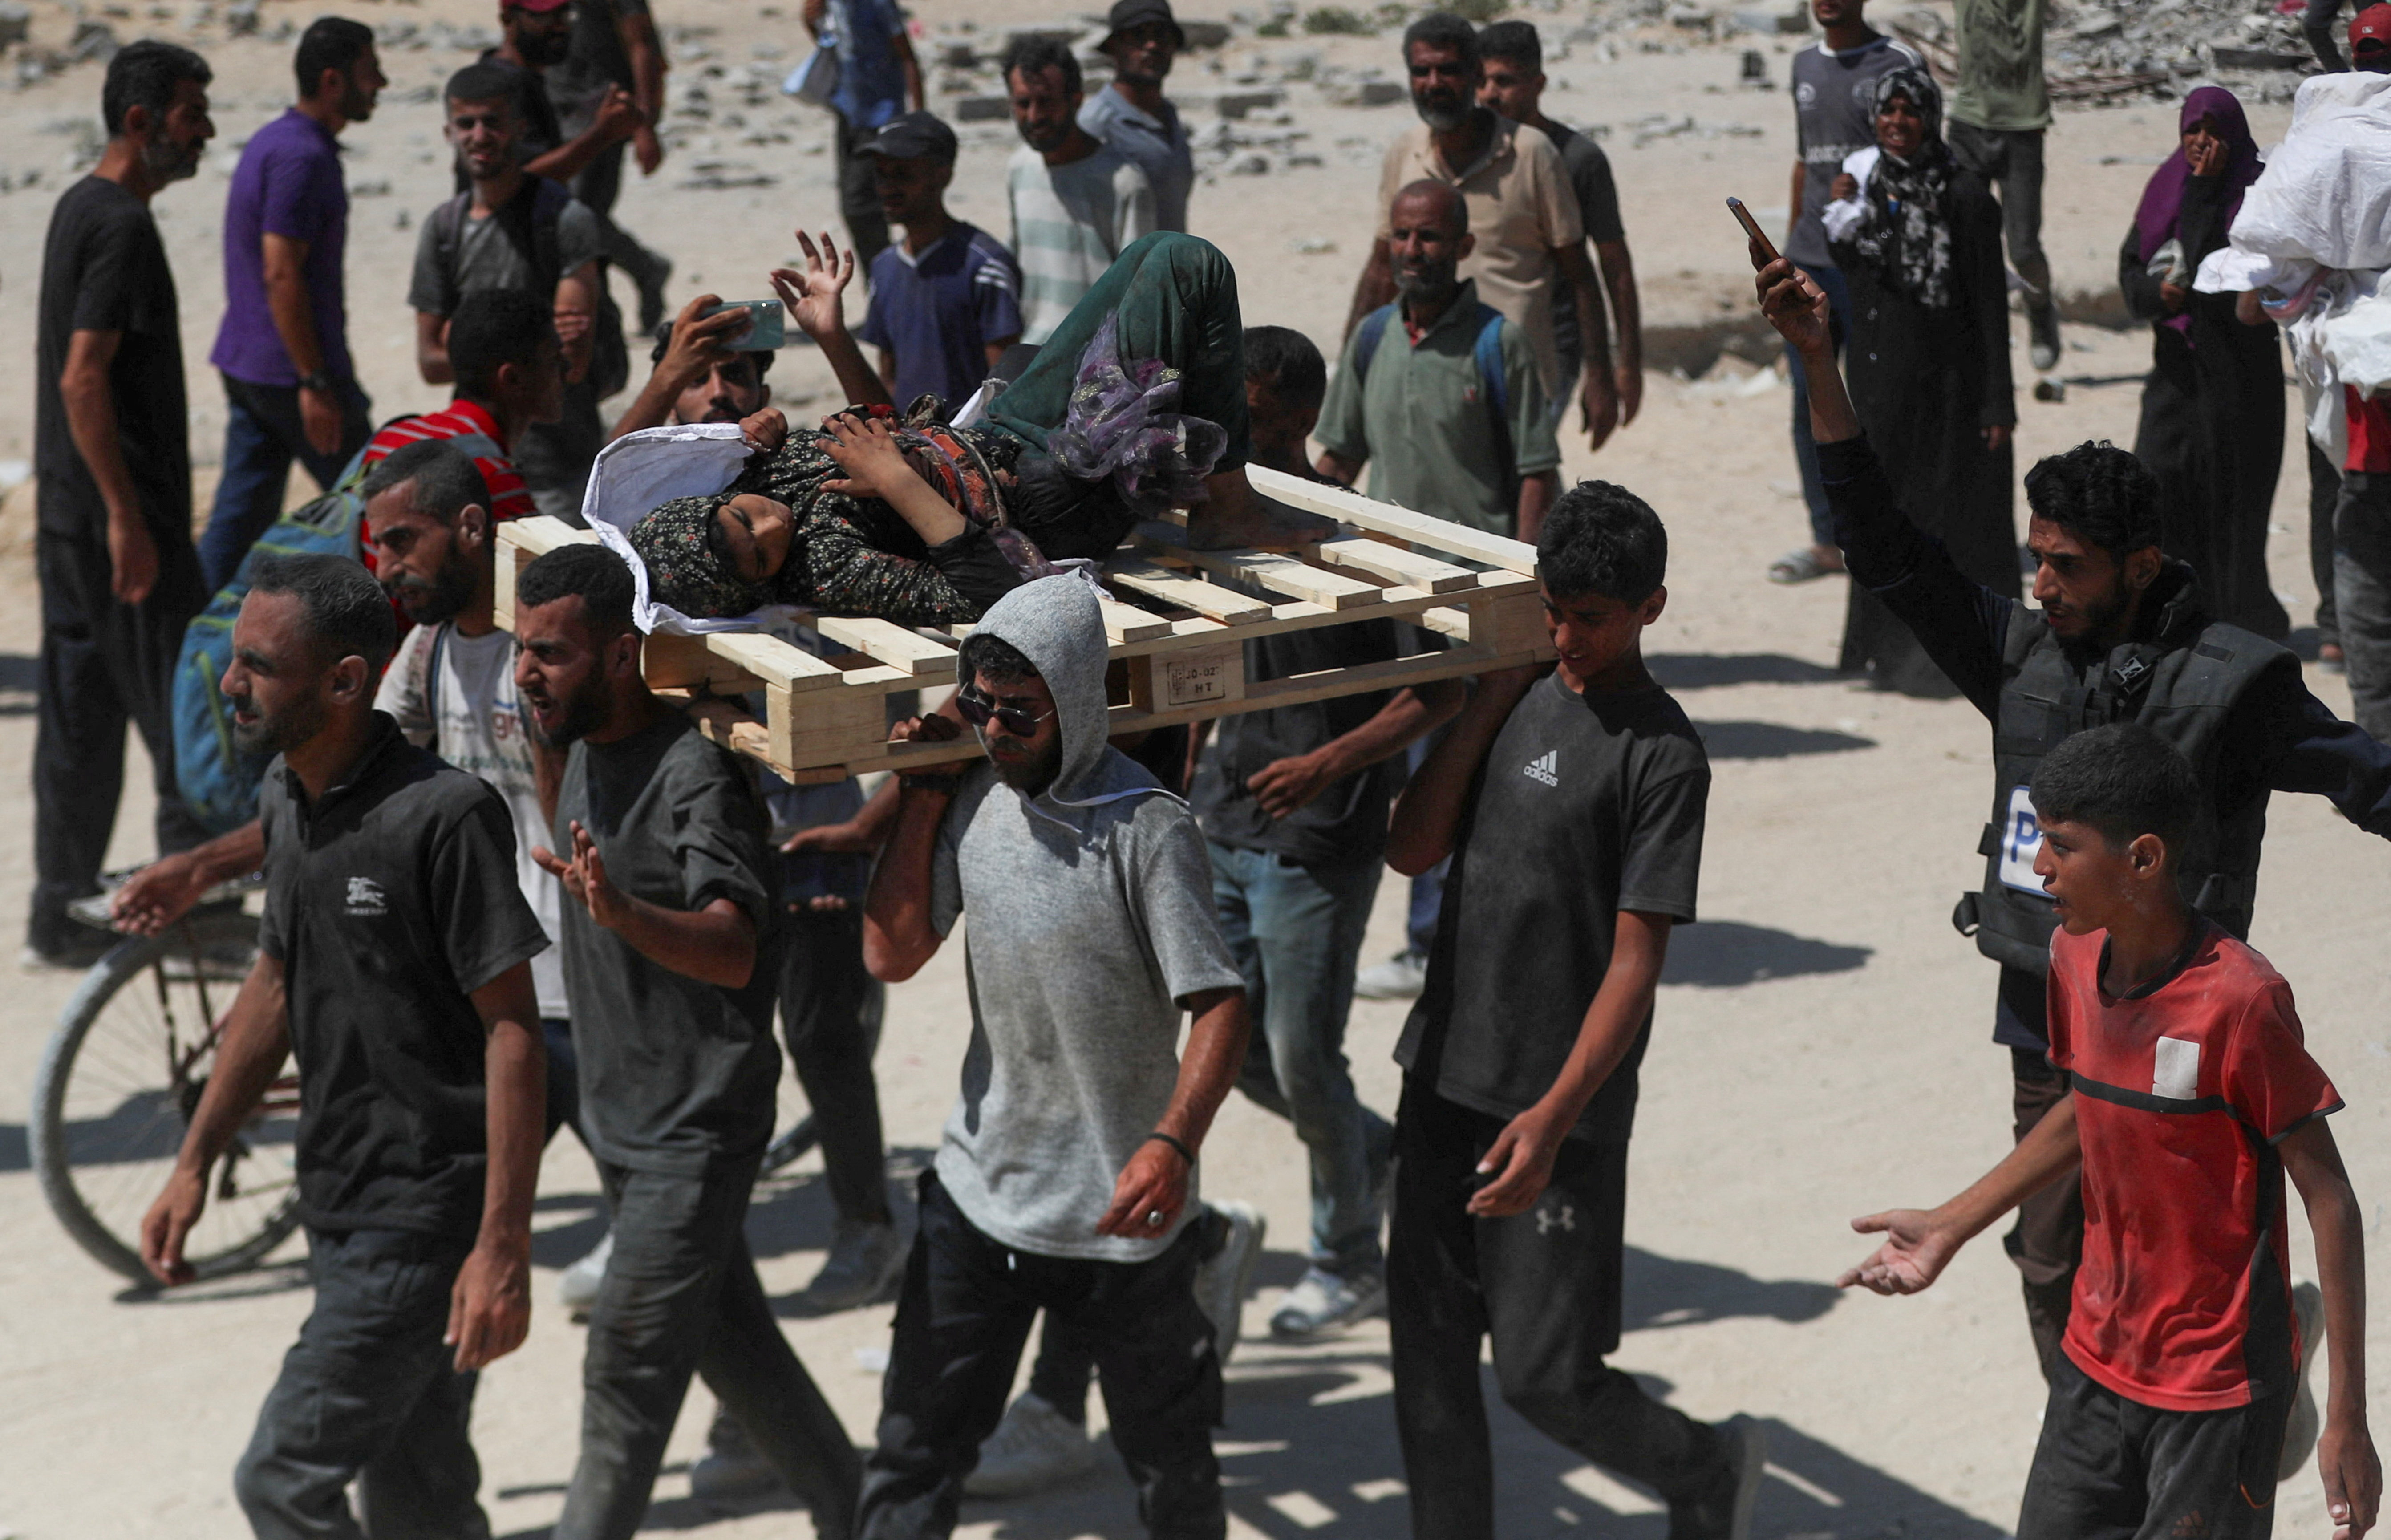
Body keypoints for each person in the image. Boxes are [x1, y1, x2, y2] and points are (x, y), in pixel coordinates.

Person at [1758, 253, 2391, 1390]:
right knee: (2049, 1255)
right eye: (2035, 560)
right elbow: (1883, 542)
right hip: (2043, 1008)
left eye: (2069, 567)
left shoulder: (2231, 685)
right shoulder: (2016, 655)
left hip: (2185, 1027)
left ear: (2141, 565)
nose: (2042, 585)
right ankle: (2094, 1444)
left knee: (2174, 1258)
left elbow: (2367, 779)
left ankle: (2246, 1388)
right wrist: (1819, 361)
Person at [1839, 723, 2377, 1540]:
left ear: (2144, 860)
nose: (2037, 866)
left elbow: (2329, 1197)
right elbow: (2089, 1107)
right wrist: (1953, 1222)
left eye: (2060, 845)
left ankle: (2290, 1403)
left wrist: (2350, 1415)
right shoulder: (2068, 956)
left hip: (2217, 1384)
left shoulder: (2239, 1001)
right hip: (2094, 1360)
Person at [138, 552, 550, 1540]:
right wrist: (195, 1158)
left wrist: (502, 1243)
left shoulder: (444, 817)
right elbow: (277, 980)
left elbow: (514, 1030)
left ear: (347, 681)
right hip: (337, 1192)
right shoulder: (288, 793)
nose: (232, 684)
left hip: (420, 1216)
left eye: (259, 667)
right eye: (238, 660)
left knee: (282, 1480)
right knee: (421, 1491)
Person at [1382, 482, 1766, 1540]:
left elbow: (1634, 965)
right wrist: (1483, 706)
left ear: (1651, 607)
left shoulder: (1662, 754)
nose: (1563, 635)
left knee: (1545, 1377)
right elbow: (1410, 848)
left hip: (1558, 1115)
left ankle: (1703, 1468)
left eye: (1589, 618)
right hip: (1441, 1078)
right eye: (1553, 608)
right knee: (1424, 1354)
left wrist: (1550, 1122)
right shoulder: (1511, 693)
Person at [857, 573, 1250, 1539]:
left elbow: (1221, 1005)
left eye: (1019, 713)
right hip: (979, 1194)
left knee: (1173, 1474)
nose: (995, 730)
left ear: (1076, 700)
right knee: (910, 1463)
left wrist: (1172, 1142)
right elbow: (891, 950)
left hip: (1124, 1220)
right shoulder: (972, 805)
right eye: (981, 706)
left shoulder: (1147, 828)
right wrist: (918, 792)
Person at [512, 542, 861, 1540]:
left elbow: (738, 947)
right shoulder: (577, 738)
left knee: (624, 1373)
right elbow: (567, 809)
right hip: (622, 1117)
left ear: (622, 655)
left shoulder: (694, 772)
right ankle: (860, 1512)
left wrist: (623, 914)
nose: (529, 673)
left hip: (695, 1125)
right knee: (737, 1349)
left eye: (552, 654)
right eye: (524, 650)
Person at [625, 231, 1325, 625]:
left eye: (744, 520)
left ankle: (1217, 483)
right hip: (1050, 500)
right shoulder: (828, 570)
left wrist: (835, 339)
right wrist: (897, 483)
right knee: (1190, 269)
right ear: (758, 587)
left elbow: (889, 430)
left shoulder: (764, 469)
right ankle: (1228, 511)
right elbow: (988, 594)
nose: (769, 529)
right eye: (757, 556)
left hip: (1004, 437)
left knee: (1154, 253)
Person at [1201, 325, 1463, 1338]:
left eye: (1257, 416)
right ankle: (1370, 1157)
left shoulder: (1355, 535)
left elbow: (1439, 689)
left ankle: (1346, 1253)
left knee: (1303, 1053)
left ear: (1302, 418)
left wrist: (1327, 763)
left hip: (1319, 836)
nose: (1237, 431)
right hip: (1225, 818)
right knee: (1233, 1048)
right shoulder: (1222, 517)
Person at [29, 40, 217, 968]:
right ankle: (190, 903)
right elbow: (81, 379)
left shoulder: (80, 205)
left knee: (81, 715)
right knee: (180, 706)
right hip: (116, 521)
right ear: (141, 124)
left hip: (71, 516)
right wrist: (127, 518)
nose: (205, 134)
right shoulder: (119, 227)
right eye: (192, 116)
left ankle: (57, 910)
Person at [1824, 66, 2016, 697]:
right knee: (1884, 518)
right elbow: (1863, 280)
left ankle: (1941, 660)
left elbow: (1989, 307)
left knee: (1944, 525)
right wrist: (1843, 214)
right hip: (1884, 391)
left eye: (1910, 112)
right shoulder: (1870, 187)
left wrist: (1997, 403)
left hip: (1950, 396)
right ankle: (1882, 653)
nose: (1897, 124)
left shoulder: (1964, 197)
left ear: (1930, 118)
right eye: (1888, 112)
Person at [1346, 12, 1614, 450]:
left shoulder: (1532, 154)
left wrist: (1601, 377)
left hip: (1513, 381)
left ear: (1474, 75)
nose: (1433, 83)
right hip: (1420, 375)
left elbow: (1581, 275)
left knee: (1516, 506)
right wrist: (1352, 370)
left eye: (1448, 70)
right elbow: (1380, 268)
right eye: (1420, 71)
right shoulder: (1403, 152)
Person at [201, 17, 383, 592]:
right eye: (368, 70)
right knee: (380, 506)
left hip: (253, 363)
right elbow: (282, 272)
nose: (381, 81)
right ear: (333, 81)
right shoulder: (302, 158)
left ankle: (181, 647)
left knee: (237, 524)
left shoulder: (279, 141)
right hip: (290, 374)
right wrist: (314, 381)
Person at [2121, 88, 2289, 642]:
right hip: (2174, 374)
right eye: (2193, 130)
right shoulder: (2166, 184)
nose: (2201, 143)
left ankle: (2238, 626)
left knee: (2233, 502)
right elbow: (2133, 270)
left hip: (2240, 379)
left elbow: (2225, 268)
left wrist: (2201, 192)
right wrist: (2154, 295)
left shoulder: (2256, 192)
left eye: (2214, 133)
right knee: (2159, 484)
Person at [411, 63, 608, 524]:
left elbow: (572, 362)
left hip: (561, 464)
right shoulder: (443, 229)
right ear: (448, 131)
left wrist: (469, 347)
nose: (480, 136)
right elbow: (429, 363)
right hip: (477, 461)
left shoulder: (566, 220)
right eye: (466, 123)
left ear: (519, 127)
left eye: (493, 121)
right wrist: (529, 354)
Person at [1316, 180, 1562, 539]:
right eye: (1401, 235)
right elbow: (1341, 459)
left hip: (1478, 576)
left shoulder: (1499, 343)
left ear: (1464, 247)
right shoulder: (1372, 336)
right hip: (1388, 573)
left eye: (1428, 237)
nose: (1412, 250)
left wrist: (1524, 574)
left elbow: (1537, 473)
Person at [1771, 0, 1919, 586]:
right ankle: (1827, 540)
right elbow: (1806, 160)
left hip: (1872, 266)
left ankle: (1883, 526)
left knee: (1876, 398)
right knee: (1807, 403)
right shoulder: (1803, 65)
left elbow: (1918, 158)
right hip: (1808, 262)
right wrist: (1785, 244)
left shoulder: (1897, 62)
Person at [1475, 20, 1641, 439]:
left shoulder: (1579, 160)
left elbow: (1613, 267)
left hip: (1553, 345)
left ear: (1538, 83)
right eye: (1481, 81)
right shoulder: (1468, 155)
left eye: (1504, 81)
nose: (1489, 94)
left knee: (1527, 466)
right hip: (1475, 339)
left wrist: (1619, 368)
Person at [852, 110, 1025, 411]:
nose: (888, 188)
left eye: (903, 175)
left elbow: (1005, 386)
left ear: (942, 175)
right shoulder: (884, 268)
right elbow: (889, 372)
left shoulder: (985, 268)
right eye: (882, 175)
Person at [1003, 33, 1156, 345]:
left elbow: (1139, 295)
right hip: (1032, 360)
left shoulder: (1125, 183)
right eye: (1023, 103)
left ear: (1076, 100)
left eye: (1046, 102)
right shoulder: (1019, 169)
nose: (1034, 117)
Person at [1948, 0, 2063, 373]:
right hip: (1969, 124)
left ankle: (2041, 309)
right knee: (1964, 238)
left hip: (2024, 128)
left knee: (2024, 247)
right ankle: (1971, 335)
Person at [546, 0, 673, 329]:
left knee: (581, 214)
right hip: (548, 107)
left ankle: (633, 279)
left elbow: (642, 43)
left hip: (601, 114)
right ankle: (643, 269)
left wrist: (645, 125)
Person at [482, 0, 646, 201]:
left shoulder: (529, 82)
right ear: (508, 18)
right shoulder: (498, 89)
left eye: (565, 15)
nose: (559, 26)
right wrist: (603, 134)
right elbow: (512, 187)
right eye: (545, 17)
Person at [807, 0, 923, 276]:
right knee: (856, 208)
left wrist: (919, 119)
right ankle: (880, 287)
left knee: (865, 208)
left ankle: (886, 285)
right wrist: (810, 21)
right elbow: (831, 45)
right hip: (849, 115)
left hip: (880, 117)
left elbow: (907, 56)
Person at [1079, 0, 1197, 234]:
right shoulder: (1096, 124)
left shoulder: (1169, 116)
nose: (1152, 46)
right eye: (1138, 36)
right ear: (1114, 47)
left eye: (1162, 35)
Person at [609, 292, 779, 440]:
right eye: (697, 380)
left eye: (735, 376)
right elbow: (615, 468)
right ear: (671, 407)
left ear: (764, 396)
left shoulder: (789, 467)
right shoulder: (660, 474)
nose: (718, 393)